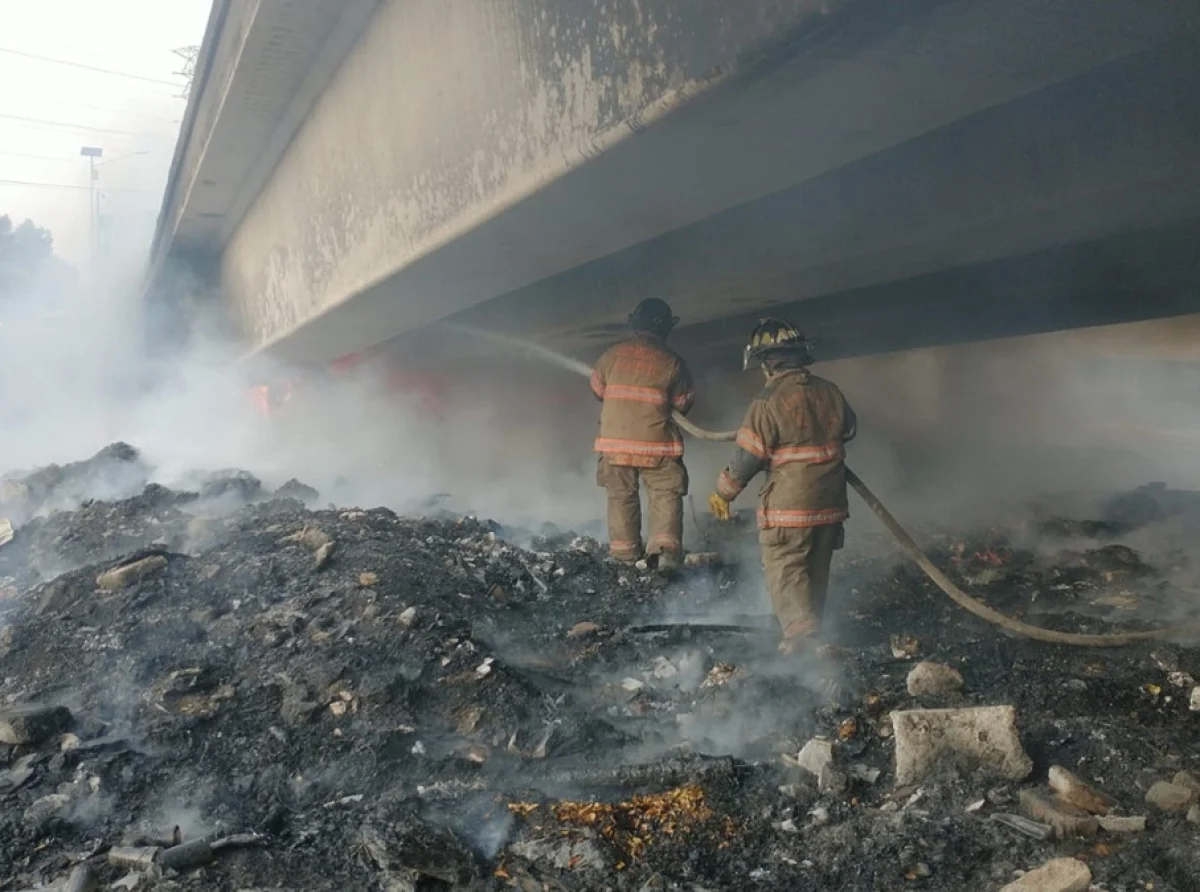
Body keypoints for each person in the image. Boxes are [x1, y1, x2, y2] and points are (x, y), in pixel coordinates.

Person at [708, 318, 856, 653]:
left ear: (770, 361)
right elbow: (850, 430)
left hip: (790, 506)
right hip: (831, 501)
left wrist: (723, 492)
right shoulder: (830, 391)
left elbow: (747, 457)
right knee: (816, 570)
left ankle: (803, 639)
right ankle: (814, 634)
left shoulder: (767, 401)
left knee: (786, 567)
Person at [590, 298, 695, 571]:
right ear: (665, 329)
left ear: (636, 324)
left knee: (621, 497)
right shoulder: (673, 362)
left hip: (614, 446)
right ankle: (663, 556)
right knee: (664, 493)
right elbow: (683, 403)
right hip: (656, 446)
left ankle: (625, 559)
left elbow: (598, 390)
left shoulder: (611, 355)